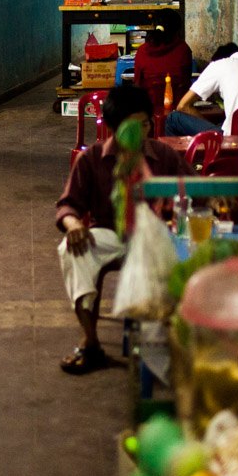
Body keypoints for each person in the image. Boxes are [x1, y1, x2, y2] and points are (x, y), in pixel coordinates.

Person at [55, 84, 191, 374]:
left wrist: (216, 195)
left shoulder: (163, 156)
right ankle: (90, 342)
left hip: (154, 235)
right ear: (115, 127)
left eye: (147, 123)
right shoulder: (92, 159)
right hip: (108, 234)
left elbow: (193, 189)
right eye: (135, 125)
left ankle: (167, 347)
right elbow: (67, 205)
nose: (144, 131)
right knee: (71, 249)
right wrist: (74, 224)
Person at [164, 41, 238, 137]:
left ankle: (174, 152)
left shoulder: (219, 64)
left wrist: (210, 126)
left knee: (173, 118)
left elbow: (183, 106)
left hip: (232, 138)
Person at [131, 23, 192, 121]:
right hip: (180, 111)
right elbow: (187, 81)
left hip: (149, 112)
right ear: (177, 31)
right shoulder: (183, 49)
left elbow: (137, 82)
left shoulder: (143, 50)